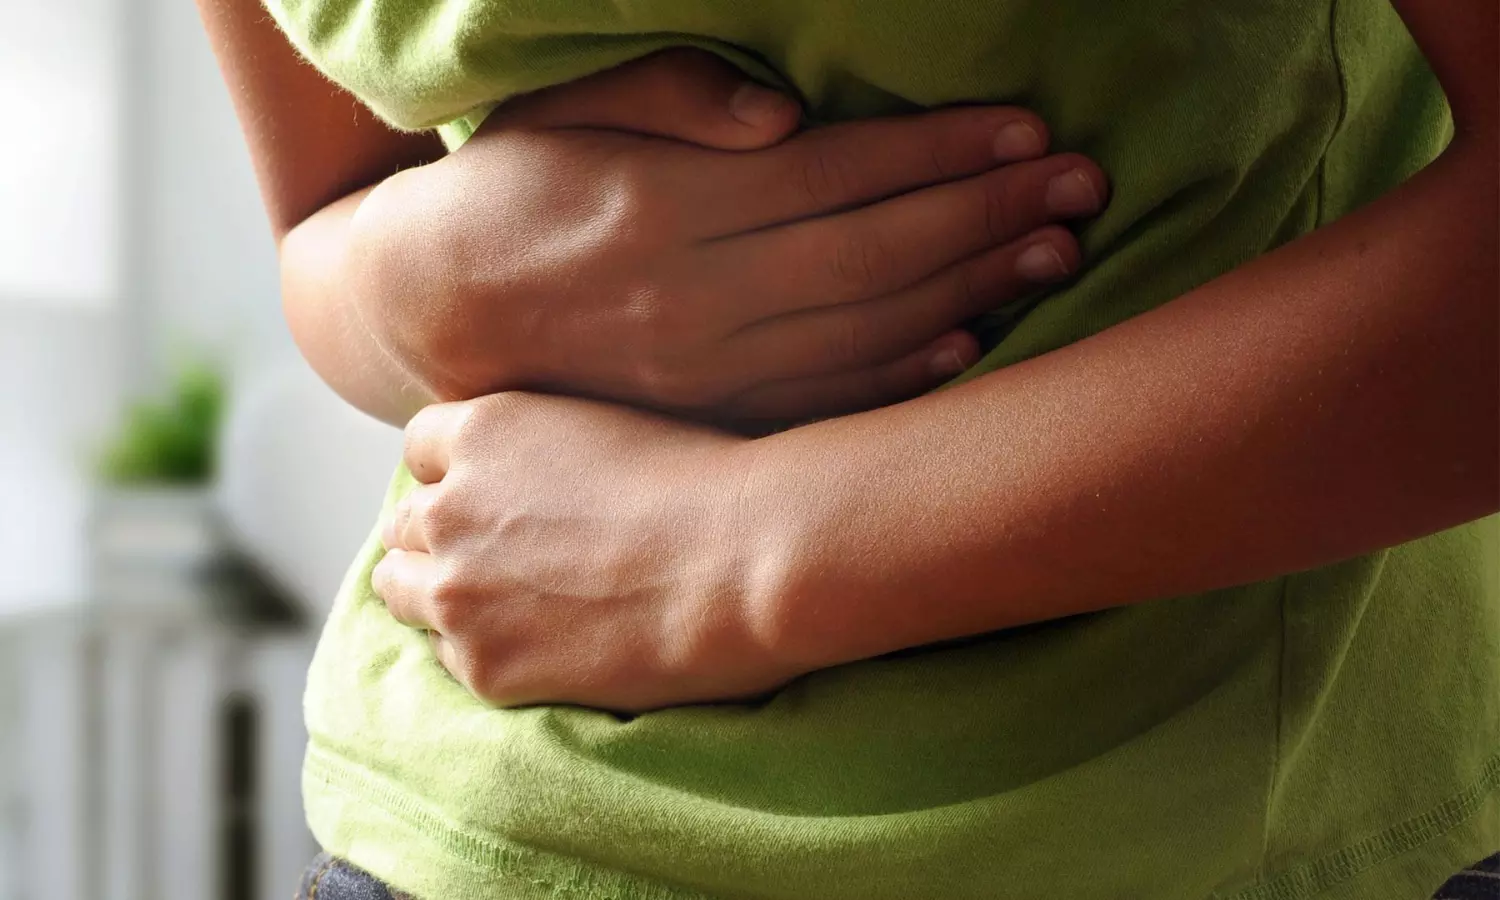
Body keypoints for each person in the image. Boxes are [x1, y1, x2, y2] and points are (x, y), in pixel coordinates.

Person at [195, 0, 1498, 897]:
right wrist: (414, 287)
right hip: (445, 827)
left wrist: (739, 555)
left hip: (1165, 832)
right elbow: (323, 220)